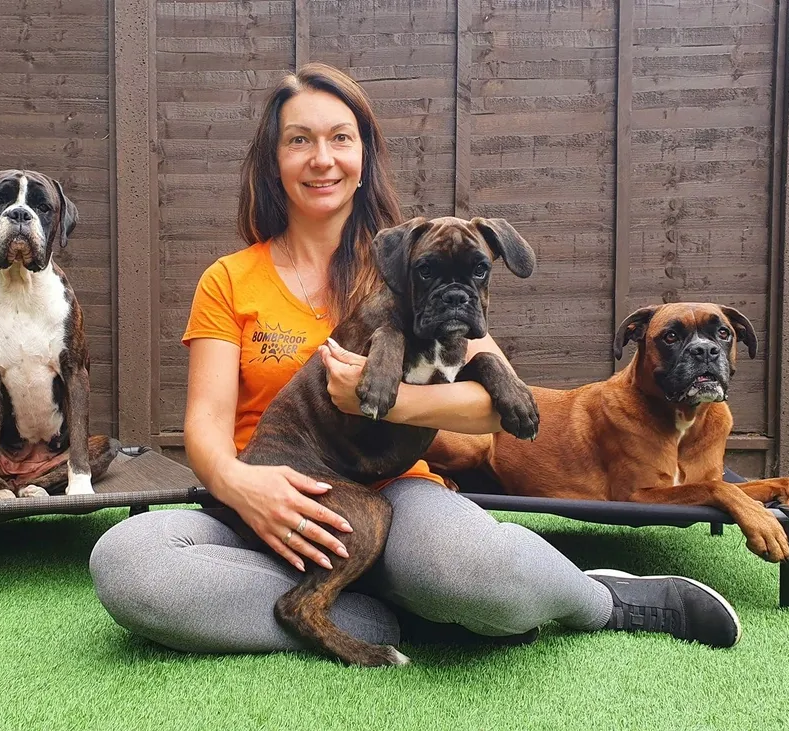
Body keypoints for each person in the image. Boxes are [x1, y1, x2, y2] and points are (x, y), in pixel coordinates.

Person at [88, 63, 741, 656]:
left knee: (491, 579)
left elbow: (491, 408)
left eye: (341, 138)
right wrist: (241, 487)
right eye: (299, 140)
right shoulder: (228, 280)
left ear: (365, 155)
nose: (322, 158)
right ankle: (373, 613)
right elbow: (204, 425)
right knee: (128, 562)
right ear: (272, 158)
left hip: (399, 496)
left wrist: (390, 399)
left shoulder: (420, 261)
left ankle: (606, 600)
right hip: (267, 495)